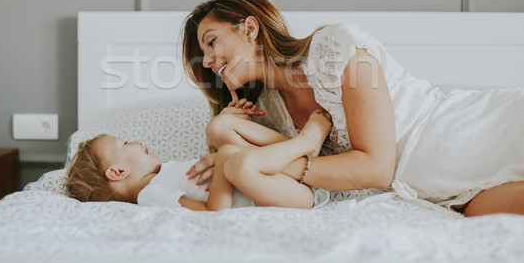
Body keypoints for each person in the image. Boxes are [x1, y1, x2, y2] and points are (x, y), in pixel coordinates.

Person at [182, 0, 524, 217]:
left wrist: (261, 163)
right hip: (443, 196)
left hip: (473, 132)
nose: (209, 61)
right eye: (203, 54)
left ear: (249, 28)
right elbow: (246, 176)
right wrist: (222, 132)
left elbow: (376, 168)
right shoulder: (267, 114)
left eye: (211, 42)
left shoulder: (337, 47)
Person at [65, 107, 331, 211]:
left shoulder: (163, 174)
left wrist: (226, 130)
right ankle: (305, 143)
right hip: (289, 196)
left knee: (219, 126)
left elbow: (211, 178)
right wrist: (225, 155)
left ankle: (303, 151)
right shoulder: (151, 194)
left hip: (280, 181)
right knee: (236, 163)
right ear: (118, 171)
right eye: (125, 143)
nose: (136, 142)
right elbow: (213, 212)